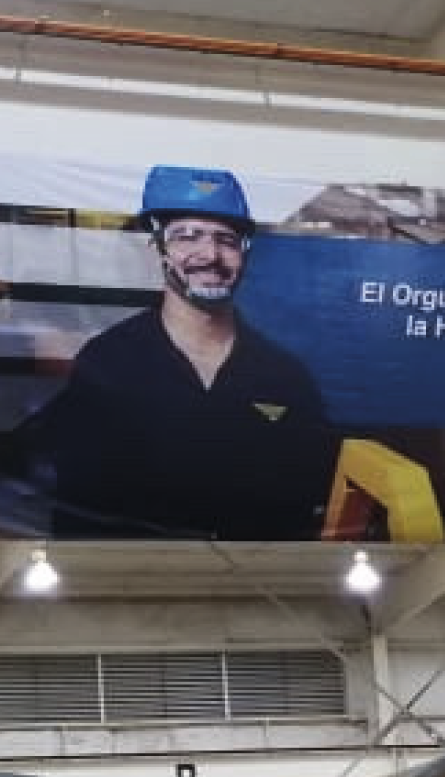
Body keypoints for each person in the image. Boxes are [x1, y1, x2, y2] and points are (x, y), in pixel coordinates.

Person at [36, 165, 340, 540]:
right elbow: (75, 516)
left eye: (226, 240)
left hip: (262, 586)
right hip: (134, 582)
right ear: (157, 251)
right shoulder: (107, 363)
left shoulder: (286, 376)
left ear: (244, 254)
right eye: (187, 236)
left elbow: (312, 511)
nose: (209, 254)